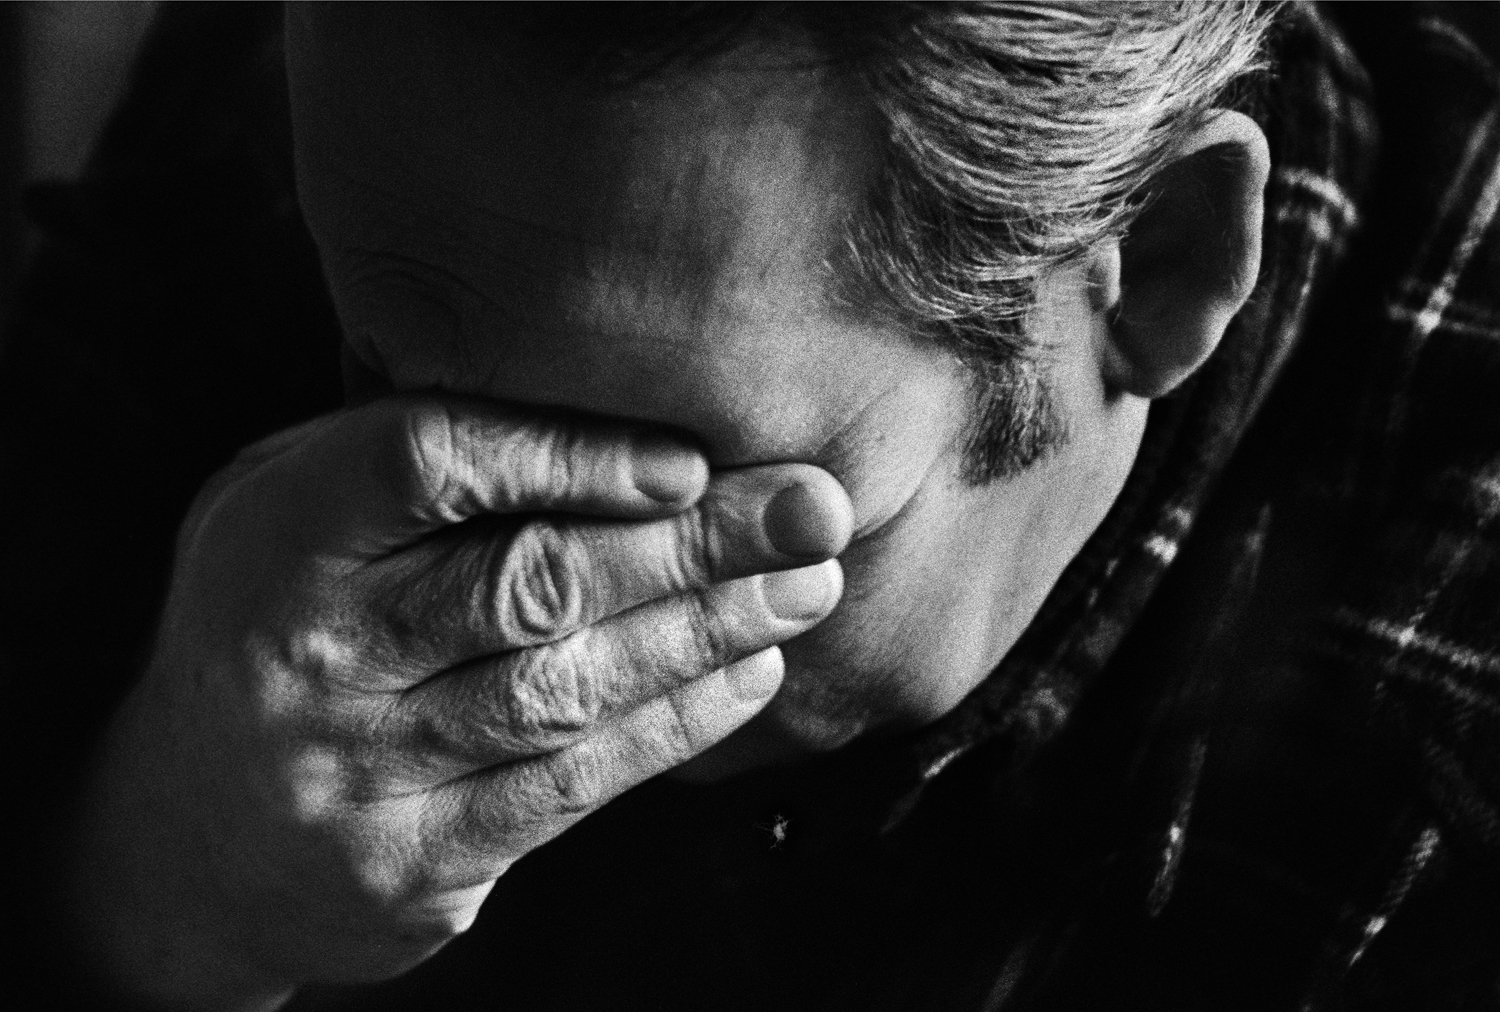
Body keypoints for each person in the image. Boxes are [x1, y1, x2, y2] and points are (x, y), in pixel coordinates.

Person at [3, 2, 1498, 1009]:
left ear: (1156, 266)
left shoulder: (1440, 809)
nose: (486, 586)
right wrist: (149, 889)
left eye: (654, 478)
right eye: (374, 370)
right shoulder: (332, 84)